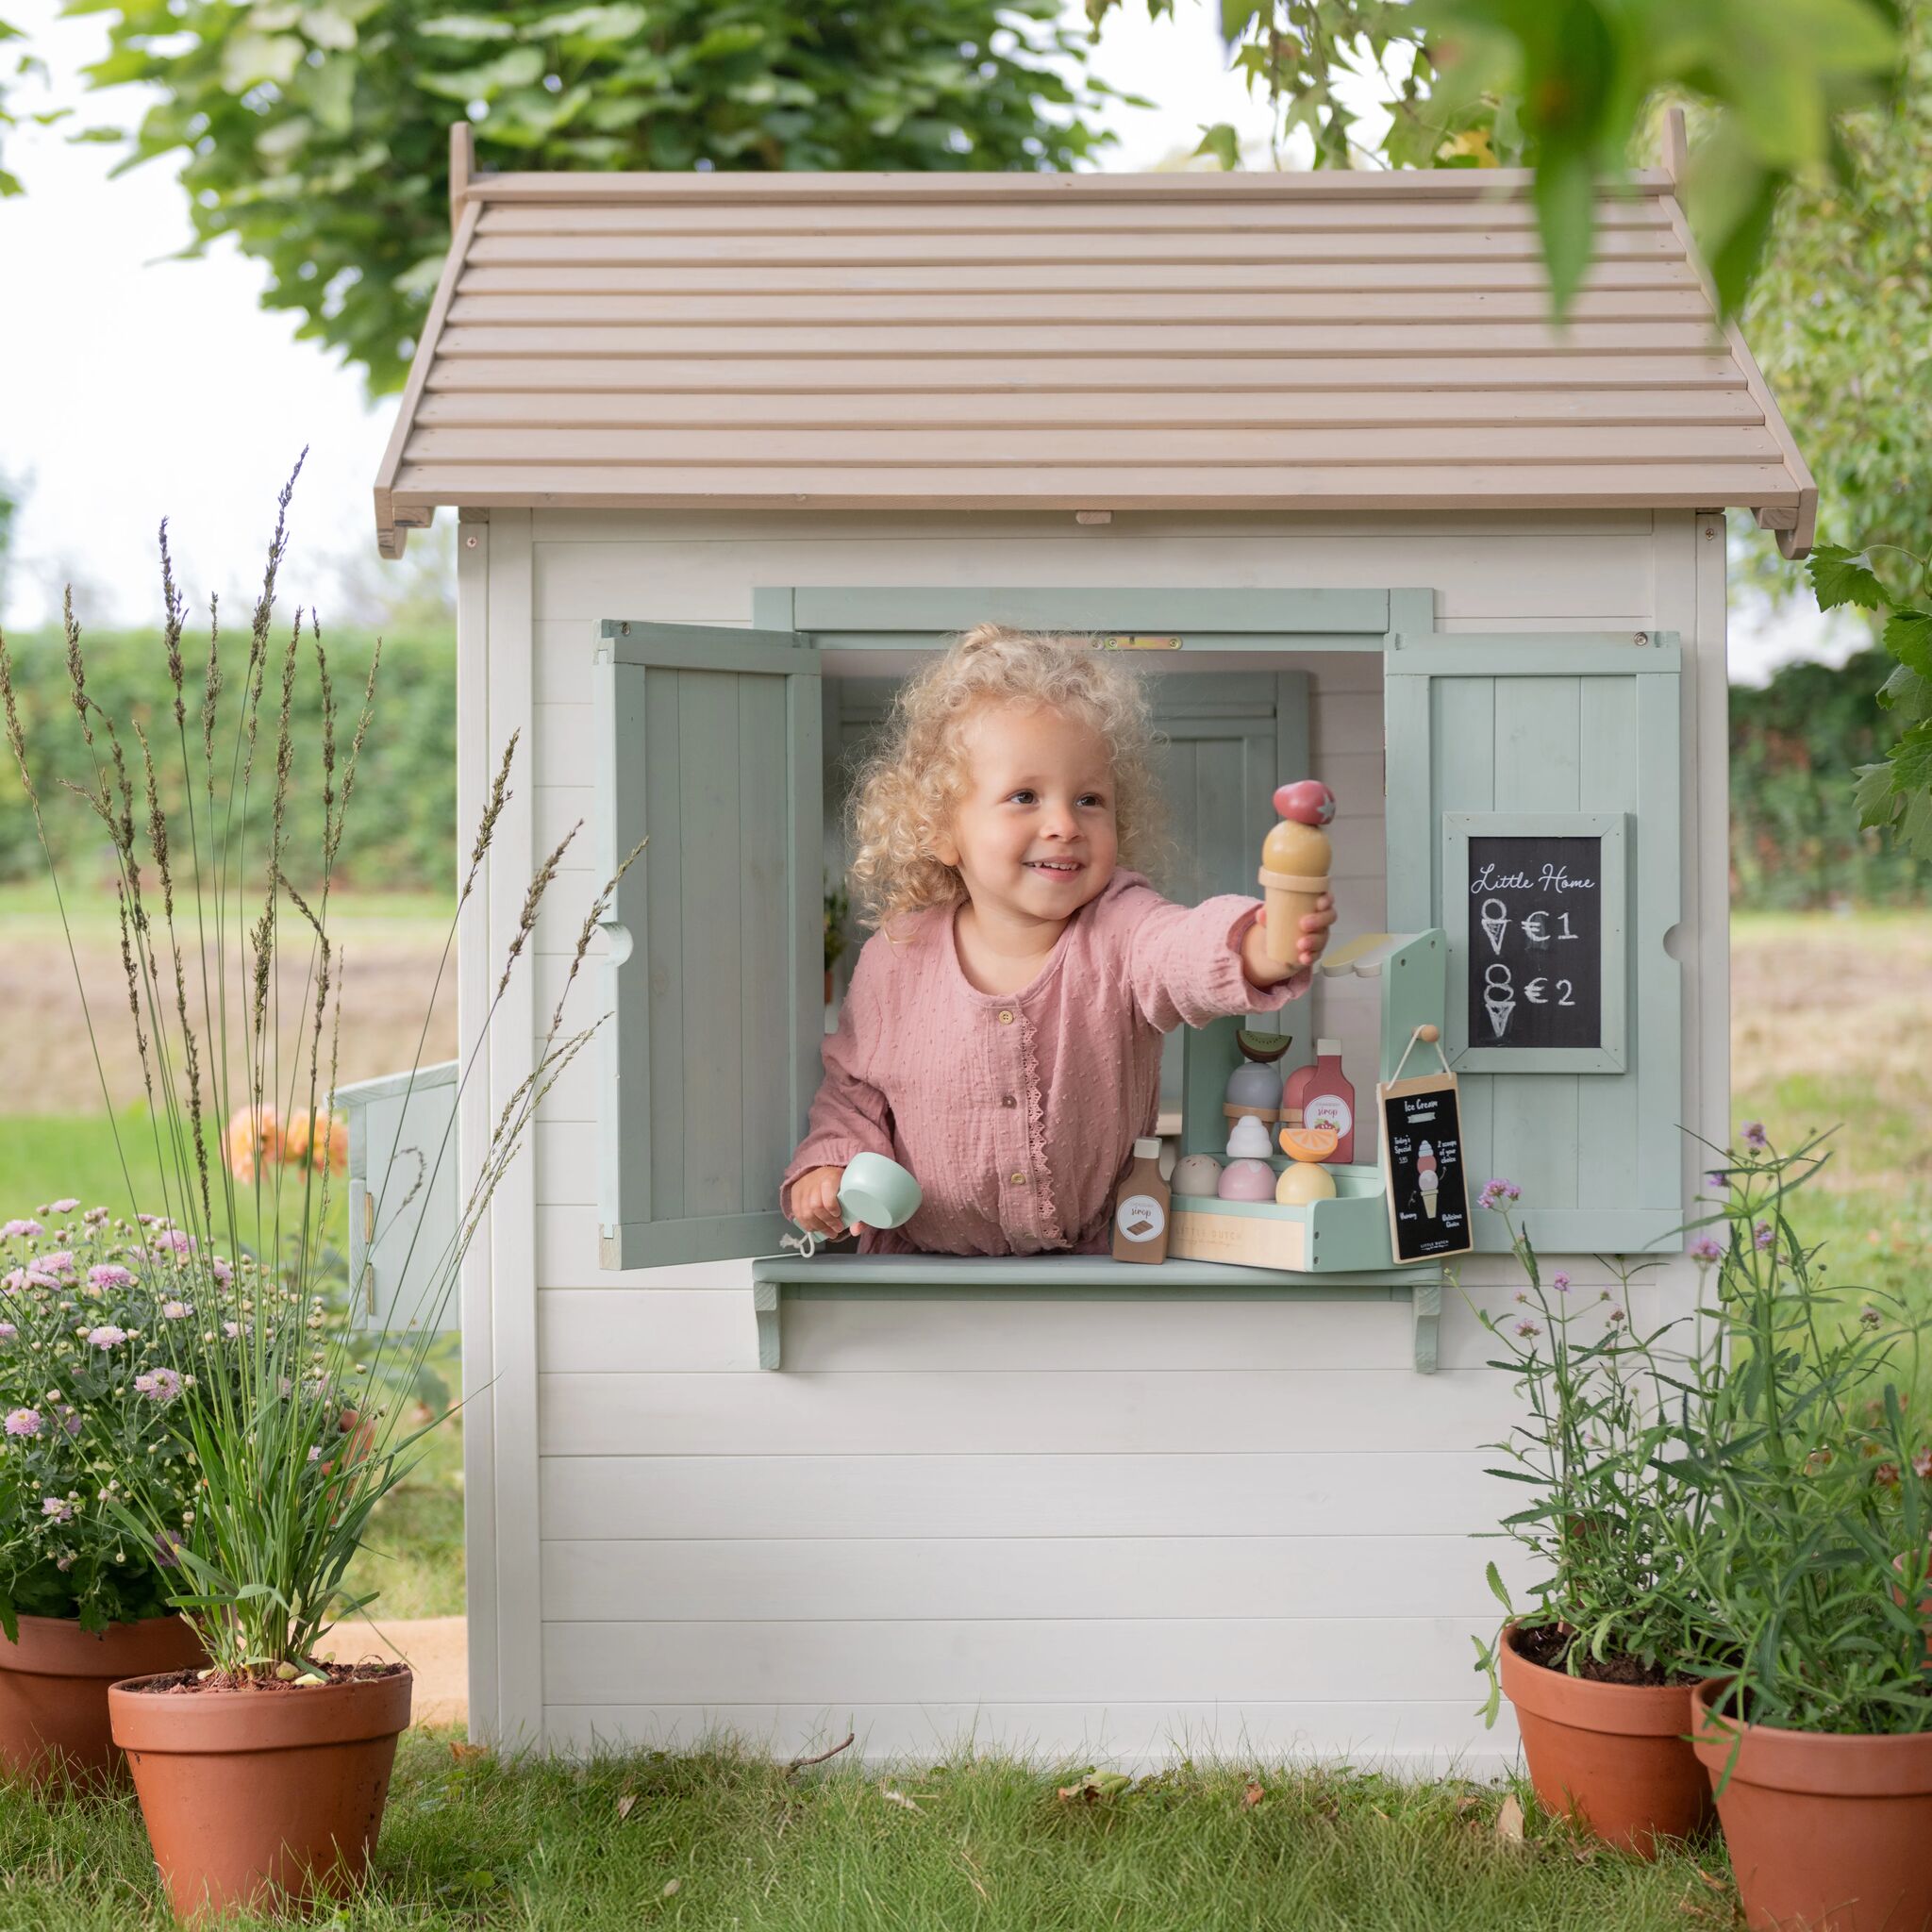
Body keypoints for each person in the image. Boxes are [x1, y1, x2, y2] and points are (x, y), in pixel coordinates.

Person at [782, 625, 1335, 1255]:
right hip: (920, 1276)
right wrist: (829, 1166)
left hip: (1092, 1267)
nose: (1064, 825)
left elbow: (1180, 948)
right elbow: (854, 1090)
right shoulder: (898, 955)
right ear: (942, 830)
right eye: (1024, 796)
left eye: (1090, 799)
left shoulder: (1118, 926)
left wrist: (1261, 948)